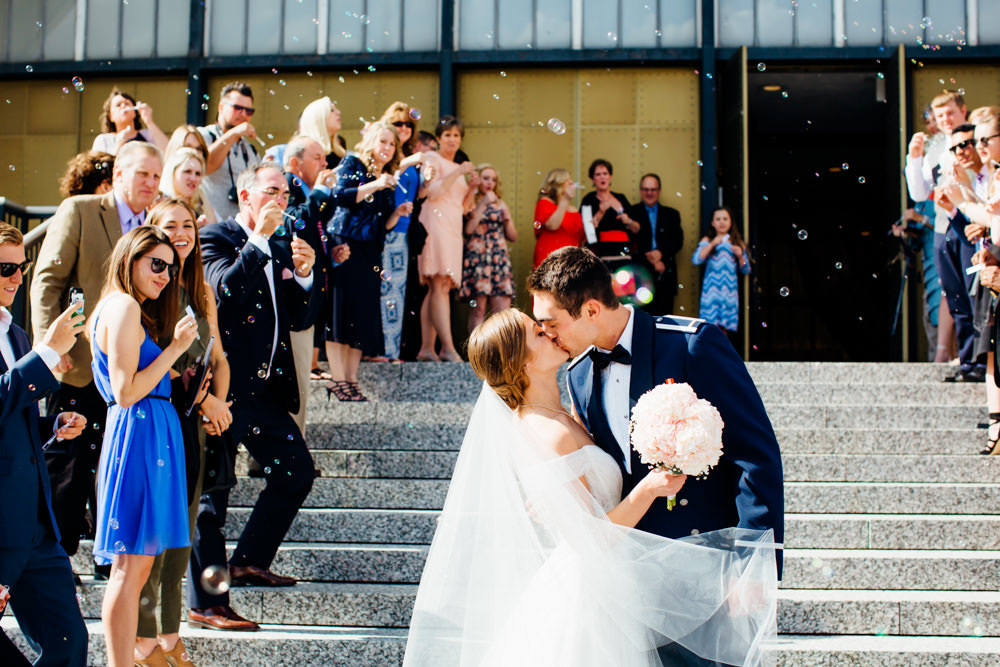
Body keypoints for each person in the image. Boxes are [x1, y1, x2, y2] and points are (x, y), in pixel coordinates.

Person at [403, 306, 778, 667]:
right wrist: (649, 489)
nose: (548, 331)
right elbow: (592, 540)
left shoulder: (565, 409)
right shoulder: (543, 432)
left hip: (622, 580)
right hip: (592, 599)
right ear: (523, 361)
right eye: (537, 332)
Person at [528, 246, 783, 665]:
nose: (549, 335)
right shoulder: (576, 375)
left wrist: (753, 566)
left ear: (591, 310)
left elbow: (756, 456)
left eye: (552, 323)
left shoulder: (691, 345)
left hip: (704, 567)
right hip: (628, 579)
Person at [191, 163, 320, 630]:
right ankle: (207, 602)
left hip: (265, 391)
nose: (281, 201)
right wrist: (259, 241)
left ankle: (247, 561)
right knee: (212, 496)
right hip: (223, 390)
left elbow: (301, 318)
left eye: (286, 194)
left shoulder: (278, 244)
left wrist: (304, 276)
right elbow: (226, 293)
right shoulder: (216, 238)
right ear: (245, 195)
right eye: (272, 191)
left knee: (297, 474)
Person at [30, 141, 163, 566]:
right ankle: (54, 560)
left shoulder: (154, 226)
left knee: (115, 469)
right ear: (119, 172)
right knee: (67, 469)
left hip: (133, 374)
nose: (151, 183)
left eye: (157, 177)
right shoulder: (82, 210)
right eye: (143, 173)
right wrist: (50, 349)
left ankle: (111, 561)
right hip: (80, 364)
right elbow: (47, 281)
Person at [89, 225, 199, 667]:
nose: (165, 275)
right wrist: (175, 350)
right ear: (130, 257)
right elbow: (124, 391)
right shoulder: (123, 306)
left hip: (147, 432)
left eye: (171, 269)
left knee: (137, 567)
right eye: (156, 264)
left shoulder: (124, 308)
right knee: (129, 568)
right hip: (138, 433)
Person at [136, 200, 233, 666]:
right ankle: (145, 645)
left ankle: (171, 640)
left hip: (194, 425)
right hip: (160, 417)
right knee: (152, 546)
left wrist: (219, 404)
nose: (181, 232)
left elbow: (218, 358)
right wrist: (204, 399)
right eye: (169, 225)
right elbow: (162, 361)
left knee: (180, 539)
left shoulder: (202, 289)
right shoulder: (153, 289)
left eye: (187, 225)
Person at [0, 221, 90, 667]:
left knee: (69, 644)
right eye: (5, 269)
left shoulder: (15, 334)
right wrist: (47, 354)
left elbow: (10, 418)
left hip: (36, 524)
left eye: (22, 267)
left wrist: (51, 425)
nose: (18, 279)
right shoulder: (28, 344)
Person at [325, 121, 414, 399]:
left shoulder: (386, 177)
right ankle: (337, 379)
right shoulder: (353, 163)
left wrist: (398, 212)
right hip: (345, 245)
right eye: (383, 142)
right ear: (371, 142)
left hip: (369, 251)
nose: (387, 148)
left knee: (360, 317)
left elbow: (383, 226)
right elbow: (340, 197)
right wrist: (376, 184)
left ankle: (351, 380)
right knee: (340, 314)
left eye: (392, 144)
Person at [281, 135, 344, 427]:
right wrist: (319, 191)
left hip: (312, 290)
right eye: (317, 157)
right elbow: (295, 223)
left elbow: (313, 231)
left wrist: (331, 251)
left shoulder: (310, 191)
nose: (324, 163)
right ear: (295, 163)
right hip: (290, 300)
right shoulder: (287, 186)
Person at [416, 116, 476, 362]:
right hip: (435, 222)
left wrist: (471, 187)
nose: (453, 139)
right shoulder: (432, 159)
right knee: (438, 283)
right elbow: (431, 192)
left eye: (456, 135)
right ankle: (448, 348)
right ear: (439, 138)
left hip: (453, 226)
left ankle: (427, 348)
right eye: (448, 135)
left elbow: (463, 207)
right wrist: (459, 171)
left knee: (438, 287)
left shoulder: (459, 167)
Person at [936, 124, 985, 383]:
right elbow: (968, 228)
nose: (961, 151)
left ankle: (978, 361)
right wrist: (951, 210)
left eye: (966, 144)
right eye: (955, 147)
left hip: (986, 250)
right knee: (960, 300)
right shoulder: (961, 178)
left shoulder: (985, 176)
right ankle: (969, 361)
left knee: (977, 302)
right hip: (962, 241)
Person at [376, 102, 423, 361]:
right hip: (386, 230)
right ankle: (381, 350)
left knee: (397, 294)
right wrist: (409, 162)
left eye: (409, 124)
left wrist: (427, 176)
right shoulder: (390, 154)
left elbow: (419, 194)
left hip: (403, 231)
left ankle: (391, 350)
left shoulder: (407, 156)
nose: (404, 128)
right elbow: (386, 174)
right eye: (398, 124)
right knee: (385, 291)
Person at [459, 163, 516, 333]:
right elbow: (468, 229)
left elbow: (513, 236)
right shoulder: (471, 201)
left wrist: (507, 220)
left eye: (493, 179)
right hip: (479, 258)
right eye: (485, 178)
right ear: (478, 180)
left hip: (498, 258)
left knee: (502, 312)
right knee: (479, 309)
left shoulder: (500, 203)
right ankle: (476, 353)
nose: (489, 182)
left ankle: (501, 354)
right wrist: (483, 203)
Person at [198, 82, 261, 221]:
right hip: (210, 223)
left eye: (248, 111)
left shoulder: (250, 149)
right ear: (221, 107)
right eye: (237, 108)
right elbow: (205, 166)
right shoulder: (203, 136)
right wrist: (233, 134)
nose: (243, 114)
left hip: (240, 227)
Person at [628, 173, 684, 315]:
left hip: (665, 275)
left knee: (665, 320)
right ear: (641, 191)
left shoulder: (672, 214)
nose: (649, 193)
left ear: (659, 191)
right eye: (646, 189)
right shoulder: (632, 213)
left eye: (653, 189)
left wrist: (660, 254)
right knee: (641, 321)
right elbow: (630, 242)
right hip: (640, 276)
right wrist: (652, 260)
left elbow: (678, 241)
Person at [692, 207, 751, 340]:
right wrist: (712, 243)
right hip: (711, 292)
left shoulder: (736, 243)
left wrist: (741, 256)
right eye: (718, 219)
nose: (721, 222)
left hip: (728, 292)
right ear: (712, 223)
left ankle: (721, 356)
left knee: (725, 329)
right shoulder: (707, 241)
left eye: (725, 219)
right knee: (710, 327)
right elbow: (696, 260)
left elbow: (746, 269)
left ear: (730, 223)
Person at [580, 159, 639, 264]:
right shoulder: (589, 199)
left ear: (610, 176)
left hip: (623, 253)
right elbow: (585, 229)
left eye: (605, 173)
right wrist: (600, 213)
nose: (602, 177)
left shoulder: (621, 198)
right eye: (598, 174)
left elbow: (637, 228)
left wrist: (628, 221)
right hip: (600, 254)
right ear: (592, 179)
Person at [91, 87, 168, 155]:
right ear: (110, 117)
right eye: (118, 105)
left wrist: (149, 122)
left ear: (135, 112)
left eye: (127, 103)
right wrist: (118, 146)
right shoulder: (104, 140)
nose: (123, 106)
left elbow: (168, 152)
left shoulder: (147, 135)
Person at [532, 168, 584, 268]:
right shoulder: (544, 203)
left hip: (571, 262)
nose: (571, 182)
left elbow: (581, 238)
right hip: (550, 260)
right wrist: (564, 200)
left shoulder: (574, 210)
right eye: (567, 180)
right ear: (557, 184)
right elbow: (552, 225)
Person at [159, 147, 217, 227]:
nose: (193, 178)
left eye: (198, 174)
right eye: (187, 172)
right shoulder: (160, 206)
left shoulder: (203, 203)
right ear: (173, 173)